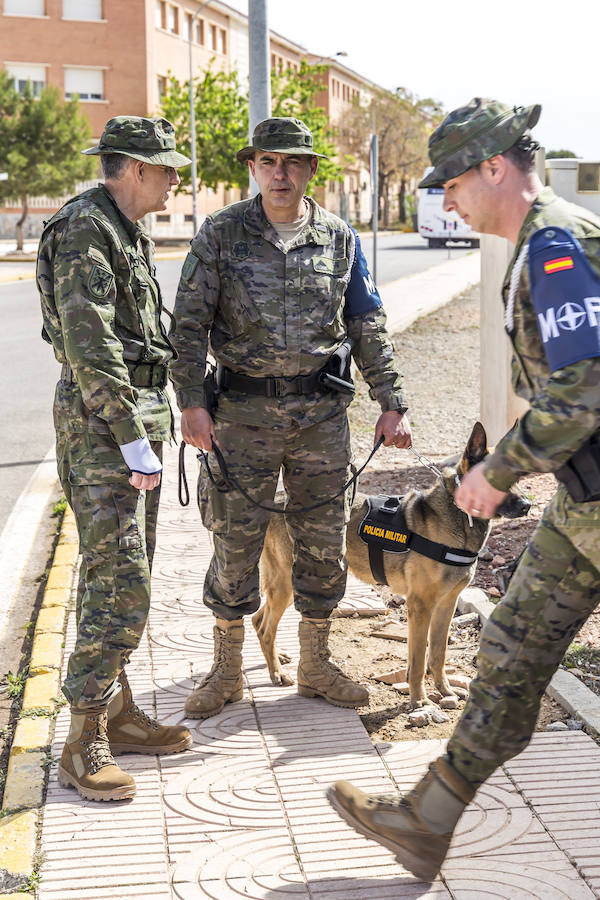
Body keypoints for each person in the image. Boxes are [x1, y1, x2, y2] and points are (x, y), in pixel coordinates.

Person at [328, 96, 600, 882]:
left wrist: (496, 470)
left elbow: (584, 389)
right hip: (586, 503)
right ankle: (426, 820)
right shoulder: (536, 249)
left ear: (494, 168)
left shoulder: (558, 247)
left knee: (512, 648)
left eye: (451, 181)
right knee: (510, 646)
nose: (444, 199)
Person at [170, 116, 411, 720]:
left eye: (292, 162)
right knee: (234, 539)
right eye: (268, 162)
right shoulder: (220, 235)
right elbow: (189, 327)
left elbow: (366, 324)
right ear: (253, 167)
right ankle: (227, 671)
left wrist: (391, 401)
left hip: (320, 419)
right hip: (239, 417)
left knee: (324, 541)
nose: (280, 173)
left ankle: (316, 664)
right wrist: (192, 403)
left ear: (309, 170)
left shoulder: (338, 237)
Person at [37, 116, 193, 802]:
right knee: (119, 581)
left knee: (129, 571)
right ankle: (83, 739)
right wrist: (132, 436)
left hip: (133, 423)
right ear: (133, 168)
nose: (174, 179)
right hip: (105, 429)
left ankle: (120, 711)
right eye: (165, 169)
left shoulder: (127, 228)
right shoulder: (84, 229)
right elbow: (91, 344)